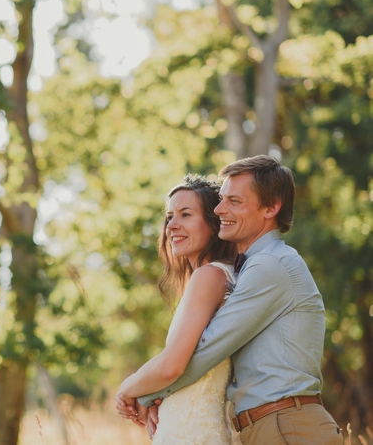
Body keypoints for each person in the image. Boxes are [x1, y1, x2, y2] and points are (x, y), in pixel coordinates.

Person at [128, 155, 343, 445]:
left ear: (271, 208)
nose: (219, 210)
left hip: (287, 426)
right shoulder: (246, 269)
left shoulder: (269, 265)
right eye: (221, 200)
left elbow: (206, 350)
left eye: (234, 201)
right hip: (271, 425)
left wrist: (142, 392)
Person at [115, 175, 237, 444]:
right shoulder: (215, 278)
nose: (172, 226)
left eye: (185, 214)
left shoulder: (210, 276)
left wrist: (127, 389)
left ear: (214, 223)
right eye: (169, 216)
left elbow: (172, 365)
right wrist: (159, 394)